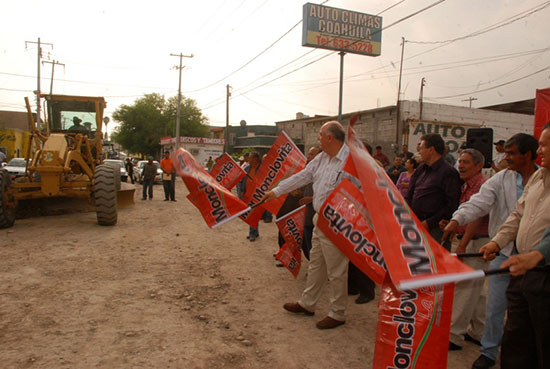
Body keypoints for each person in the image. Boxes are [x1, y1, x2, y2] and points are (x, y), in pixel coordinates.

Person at [442, 133, 539, 369]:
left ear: (528, 155)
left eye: (512, 153)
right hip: (504, 254)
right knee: (496, 308)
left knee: (532, 313)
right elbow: (479, 202)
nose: (506, 158)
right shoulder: (500, 179)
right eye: (505, 153)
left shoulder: (541, 179)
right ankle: (488, 352)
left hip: (536, 259)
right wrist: (458, 218)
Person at [262, 121, 350, 330]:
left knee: (337, 270)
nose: (318, 138)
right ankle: (307, 303)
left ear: (331, 137)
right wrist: (276, 191)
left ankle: (338, 312)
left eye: (320, 134)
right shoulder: (322, 158)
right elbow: (303, 176)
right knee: (316, 265)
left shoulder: (350, 160)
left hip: (338, 223)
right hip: (320, 219)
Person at [480, 123, 550, 369]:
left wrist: (539, 254)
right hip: (521, 269)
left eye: (544, 144)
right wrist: (497, 241)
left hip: (544, 273)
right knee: (517, 334)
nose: (541, 151)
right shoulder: (538, 179)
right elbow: (517, 215)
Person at [442, 149, 490, 352]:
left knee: (465, 288)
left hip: (475, 242)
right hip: (468, 240)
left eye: (466, 162)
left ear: (479, 166)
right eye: (460, 161)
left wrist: (462, 245)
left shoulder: (481, 185)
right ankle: (479, 332)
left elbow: (476, 216)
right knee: (477, 292)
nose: (460, 165)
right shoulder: (466, 184)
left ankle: (454, 336)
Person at [406, 133, 461, 250]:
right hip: (415, 223)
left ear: (431, 150)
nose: (419, 152)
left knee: (434, 261)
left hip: (435, 228)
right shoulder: (421, 169)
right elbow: (410, 193)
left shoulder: (448, 173)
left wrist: (429, 223)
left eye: (421, 148)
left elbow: (452, 204)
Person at [298, 146, 321, 261]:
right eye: (309, 154)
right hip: (307, 216)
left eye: (312, 154)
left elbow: (329, 193)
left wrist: (311, 198)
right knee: (307, 245)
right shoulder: (308, 170)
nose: (309, 157)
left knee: (316, 247)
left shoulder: (323, 171)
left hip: (317, 215)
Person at [245, 152, 261, 242]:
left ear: (255, 159)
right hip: (248, 195)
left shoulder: (261, 169)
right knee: (252, 214)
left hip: (257, 195)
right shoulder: (247, 168)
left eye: (250, 158)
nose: (248, 160)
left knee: (253, 214)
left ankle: (252, 233)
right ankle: (255, 232)